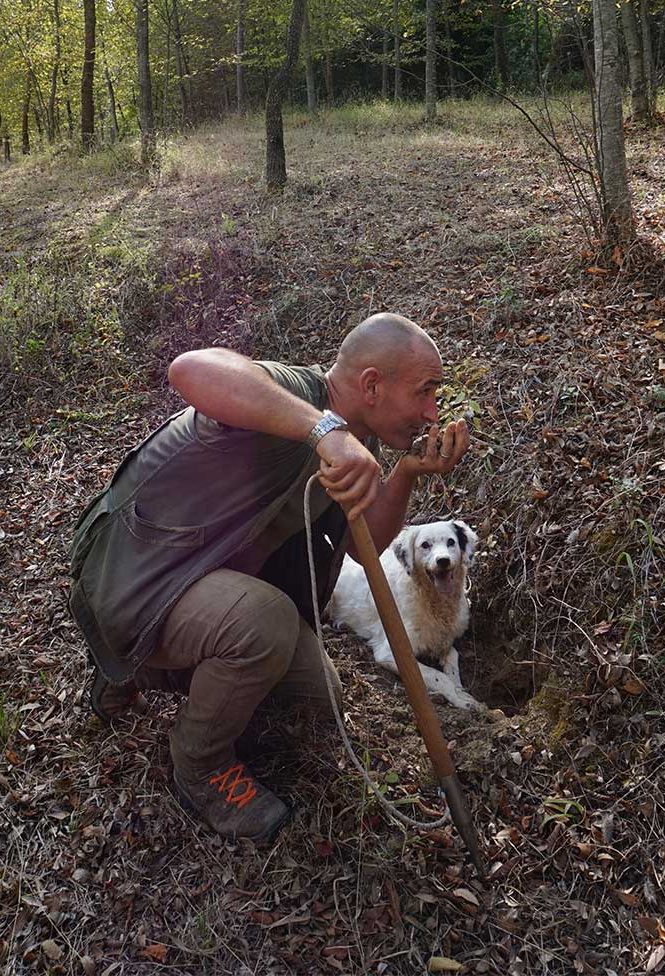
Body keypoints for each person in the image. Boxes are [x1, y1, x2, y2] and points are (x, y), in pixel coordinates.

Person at [69, 313, 469, 843]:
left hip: (204, 585)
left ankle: (141, 672)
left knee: (315, 694)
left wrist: (405, 474)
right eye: (424, 393)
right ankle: (200, 764)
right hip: (133, 578)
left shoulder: (360, 446)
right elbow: (191, 368)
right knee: (266, 627)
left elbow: (362, 541)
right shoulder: (293, 394)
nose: (431, 412)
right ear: (372, 384)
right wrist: (324, 431)